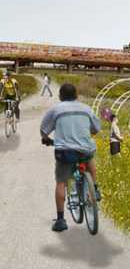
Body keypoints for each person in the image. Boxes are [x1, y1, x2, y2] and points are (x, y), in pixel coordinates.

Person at [40, 83, 101, 231]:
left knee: (61, 182)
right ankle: (95, 189)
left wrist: (46, 139)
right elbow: (96, 128)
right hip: (84, 150)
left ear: (60, 96)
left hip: (65, 152)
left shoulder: (56, 109)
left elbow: (43, 129)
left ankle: (61, 220)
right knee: (89, 158)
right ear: (77, 95)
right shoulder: (86, 108)